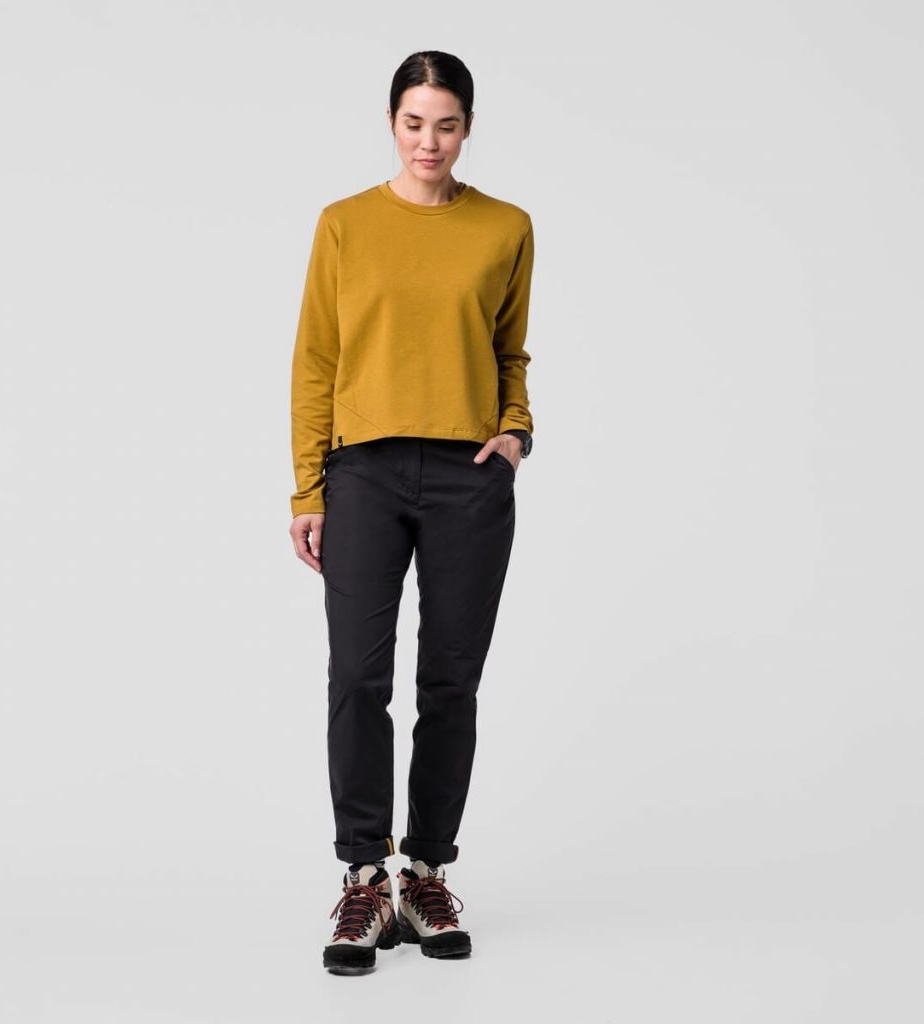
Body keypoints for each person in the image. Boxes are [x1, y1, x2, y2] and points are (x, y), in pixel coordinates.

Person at [287, 50, 536, 976]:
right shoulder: (345, 224)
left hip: (470, 475)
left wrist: (516, 432)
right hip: (364, 473)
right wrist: (308, 489)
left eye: (447, 124)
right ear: (392, 123)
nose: (429, 141)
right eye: (413, 122)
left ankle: (425, 875)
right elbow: (317, 359)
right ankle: (364, 879)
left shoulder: (505, 227)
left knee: (449, 683)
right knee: (358, 676)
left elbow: (510, 351)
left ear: (467, 127)